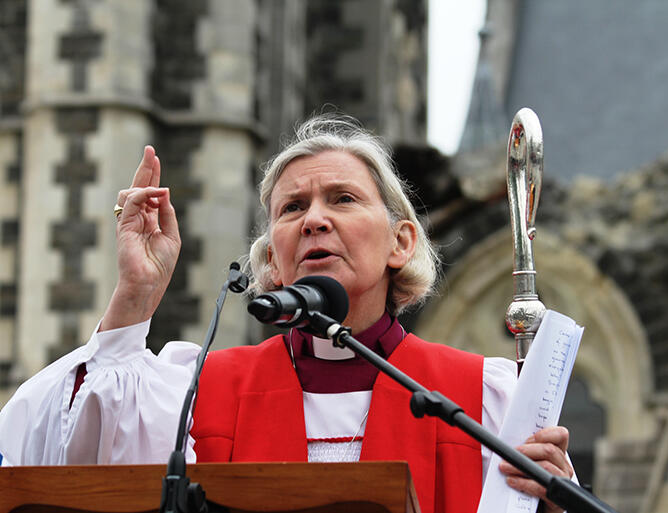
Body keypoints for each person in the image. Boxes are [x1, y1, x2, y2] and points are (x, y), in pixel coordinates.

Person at [0, 114, 573, 513]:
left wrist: (554, 499)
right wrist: (135, 295)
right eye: (292, 207)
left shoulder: (486, 401)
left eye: (342, 199)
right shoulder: (194, 395)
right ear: (273, 261)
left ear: (401, 241)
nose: (314, 220)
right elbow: (65, 453)